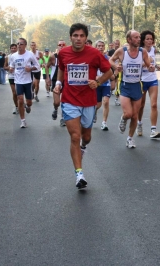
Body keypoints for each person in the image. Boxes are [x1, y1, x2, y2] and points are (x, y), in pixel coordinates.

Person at [53, 23, 112, 189]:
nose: (78, 39)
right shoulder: (63, 53)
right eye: (75, 35)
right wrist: (58, 83)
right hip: (69, 100)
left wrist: (98, 81)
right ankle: (79, 173)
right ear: (71, 37)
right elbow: (62, 70)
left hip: (88, 101)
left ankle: (83, 148)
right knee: (75, 137)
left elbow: (109, 72)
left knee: (86, 137)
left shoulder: (94, 54)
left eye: (81, 36)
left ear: (86, 38)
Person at [109, 30, 154, 148]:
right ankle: (123, 118)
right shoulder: (121, 51)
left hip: (137, 86)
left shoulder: (142, 52)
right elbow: (110, 60)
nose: (139, 39)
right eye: (136, 37)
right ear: (129, 40)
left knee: (135, 115)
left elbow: (149, 65)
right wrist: (115, 66)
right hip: (125, 85)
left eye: (139, 37)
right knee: (128, 113)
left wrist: (151, 68)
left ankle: (130, 138)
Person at [9, 37, 40, 128]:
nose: (19, 45)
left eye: (21, 44)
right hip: (18, 81)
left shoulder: (30, 54)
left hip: (27, 81)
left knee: (29, 102)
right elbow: (11, 66)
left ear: (25, 45)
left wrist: (30, 68)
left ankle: (28, 106)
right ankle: (23, 121)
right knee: (20, 100)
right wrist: (11, 69)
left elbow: (37, 66)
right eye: (18, 44)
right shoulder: (13, 56)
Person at [137, 30, 160, 139]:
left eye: (151, 39)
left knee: (154, 104)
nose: (149, 41)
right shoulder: (139, 51)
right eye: (147, 39)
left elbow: (152, 62)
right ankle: (139, 123)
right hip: (141, 80)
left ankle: (153, 130)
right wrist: (146, 62)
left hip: (152, 79)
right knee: (141, 105)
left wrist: (156, 66)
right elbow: (136, 65)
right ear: (143, 40)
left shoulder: (153, 50)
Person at [93, 40, 115, 130]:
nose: (101, 47)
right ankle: (94, 112)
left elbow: (115, 69)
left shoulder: (108, 58)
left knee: (106, 102)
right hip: (97, 84)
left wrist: (114, 76)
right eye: (99, 46)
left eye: (102, 46)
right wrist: (95, 76)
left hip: (106, 84)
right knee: (98, 105)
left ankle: (104, 123)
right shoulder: (92, 58)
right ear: (96, 47)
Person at [46, 40, 66, 126]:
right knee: (57, 102)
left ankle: (63, 118)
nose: (61, 46)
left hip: (66, 81)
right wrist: (47, 78)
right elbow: (47, 66)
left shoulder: (69, 56)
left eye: (63, 45)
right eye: (59, 45)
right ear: (57, 46)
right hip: (55, 80)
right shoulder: (53, 57)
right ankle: (55, 108)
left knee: (65, 102)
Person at [4, 43, 18, 114]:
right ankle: (16, 106)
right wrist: (8, 68)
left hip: (19, 76)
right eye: (12, 48)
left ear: (17, 48)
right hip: (11, 76)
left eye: (14, 48)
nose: (13, 49)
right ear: (10, 49)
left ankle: (21, 103)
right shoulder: (8, 57)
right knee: (14, 93)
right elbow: (4, 67)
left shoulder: (20, 56)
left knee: (19, 92)